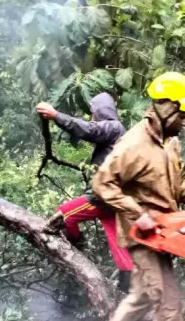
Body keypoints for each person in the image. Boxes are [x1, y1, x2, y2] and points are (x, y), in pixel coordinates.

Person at [79, 72, 185, 321]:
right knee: (168, 303)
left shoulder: (168, 144)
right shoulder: (133, 144)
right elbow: (102, 184)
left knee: (140, 297)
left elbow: (178, 178)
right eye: (184, 114)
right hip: (143, 237)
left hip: (166, 233)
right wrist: (138, 214)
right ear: (168, 109)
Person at [37, 93, 133, 289]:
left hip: (103, 197)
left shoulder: (113, 127)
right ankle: (128, 289)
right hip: (113, 198)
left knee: (63, 215)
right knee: (119, 246)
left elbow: (87, 130)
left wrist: (56, 115)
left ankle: (76, 246)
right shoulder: (116, 132)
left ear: (100, 112)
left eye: (92, 113)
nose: (91, 117)